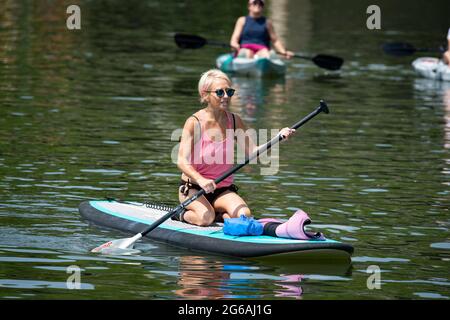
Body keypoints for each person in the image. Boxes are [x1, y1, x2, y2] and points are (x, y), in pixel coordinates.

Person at [176, 69, 295, 226]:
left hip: (222, 190)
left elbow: (252, 152)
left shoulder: (234, 120)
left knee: (244, 215)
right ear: (205, 95)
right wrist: (201, 179)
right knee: (205, 219)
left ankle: (219, 214)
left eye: (229, 91)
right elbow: (181, 161)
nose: (226, 96)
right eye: (219, 92)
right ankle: (182, 214)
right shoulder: (194, 122)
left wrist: (277, 138)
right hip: (194, 189)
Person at [230, 0, 294, 59]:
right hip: (245, 48)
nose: (258, 5)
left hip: (262, 49)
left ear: (263, 7)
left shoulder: (267, 23)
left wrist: (284, 52)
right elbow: (235, 38)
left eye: (260, 4)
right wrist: (234, 44)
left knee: (265, 54)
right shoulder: (242, 20)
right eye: (255, 3)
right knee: (247, 53)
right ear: (249, 6)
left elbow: (275, 40)